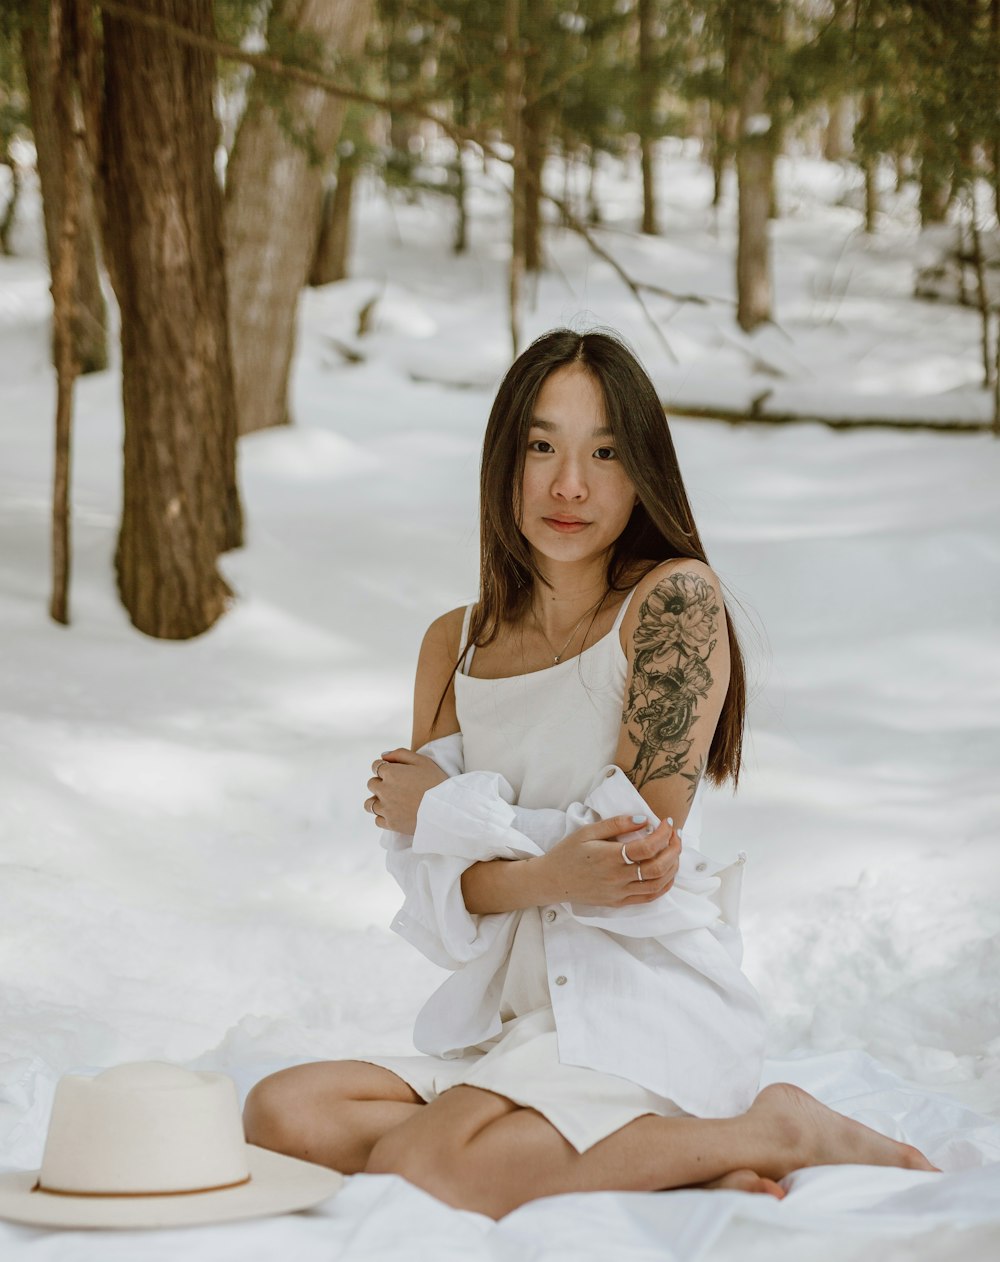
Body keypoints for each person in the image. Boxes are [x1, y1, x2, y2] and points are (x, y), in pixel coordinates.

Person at [243, 328, 935, 1219]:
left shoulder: (672, 603)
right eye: (541, 447)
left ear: (643, 468)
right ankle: (654, 1159)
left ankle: (776, 1129)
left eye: (605, 452)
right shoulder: (452, 644)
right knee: (282, 1111)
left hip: (637, 1006)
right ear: (505, 461)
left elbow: (629, 865)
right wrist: (521, 864)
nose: (569, 485)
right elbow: (436, 896)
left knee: (422, 1167)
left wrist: (453, 818)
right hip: (515, 1026)